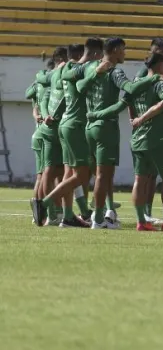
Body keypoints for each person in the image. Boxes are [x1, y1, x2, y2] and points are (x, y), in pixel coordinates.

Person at [76, 37, 163, 229]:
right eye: (123, 50)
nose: (125, 53)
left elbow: (79, 87)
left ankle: (96, 214)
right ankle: (98, 220)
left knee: (93, 174)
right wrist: (152, 78)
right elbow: (130, 88)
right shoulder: (115, 71)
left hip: (89, 127)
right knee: (102, 176)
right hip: (106, 128)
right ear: (115, 50)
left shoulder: (91, 67)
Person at [40, 40, 103, 227]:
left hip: (62, 123)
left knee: (66, 173)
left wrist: (47, 114)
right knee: (80, 174)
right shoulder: (80, 68)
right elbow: (82, 87)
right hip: (74, 124)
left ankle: (67, 215)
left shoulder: (63, 69)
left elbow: (49, 90)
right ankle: (47, 206)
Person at [124, 53, 163, 231]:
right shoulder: (158, 84)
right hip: (155, 139)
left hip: (137, 138)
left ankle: (141, 221)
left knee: (139, 180)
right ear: (160, 65)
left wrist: (135, 120)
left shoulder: (137, 84)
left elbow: (129, 103)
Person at [35, 47, 68, 225]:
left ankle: (46, 213)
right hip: (53, 129)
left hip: (44, 129)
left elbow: (35, 96)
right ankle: (53, 212)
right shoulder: (56, 77)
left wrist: (40, 113)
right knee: (61, 172)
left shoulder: (43, 78)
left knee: (48, 172)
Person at [26, 59, 55, 225]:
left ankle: (38, 213)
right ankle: (44, 213)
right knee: (46, 175)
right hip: (45, 134)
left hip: (37, 134)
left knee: (41, 176)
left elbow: (32, 103)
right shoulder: (50, 88)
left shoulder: (37, 87)